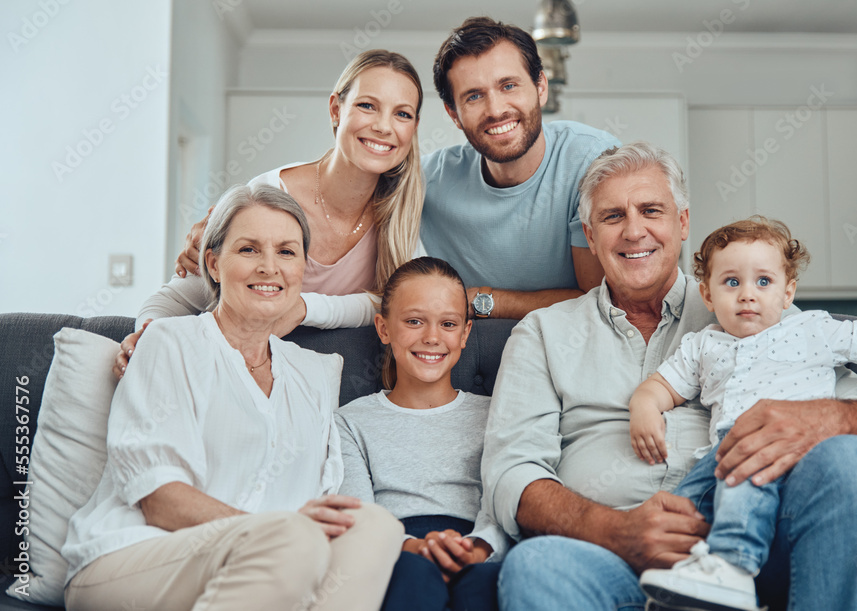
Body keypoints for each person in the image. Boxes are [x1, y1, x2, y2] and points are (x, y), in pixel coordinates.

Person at [480, 142, 857, 611]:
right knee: (537, 566)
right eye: (612, 217)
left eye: (651, 210)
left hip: (758, 543)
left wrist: (826, 420)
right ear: (590, 233)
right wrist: (615, 530)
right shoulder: (543, 332)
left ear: (682, 223)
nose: (634, 230)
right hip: (611, 556)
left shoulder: (752, 306)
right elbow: (511, 473)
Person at [62, 184, 402, 610]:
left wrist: (281, 535)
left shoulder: (313, 373)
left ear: (301, 270)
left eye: (286, 252)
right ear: (214, 264)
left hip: (272, 564)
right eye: (248, 250)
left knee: (374, 526)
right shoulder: (168, 341)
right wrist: (271, 530)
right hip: (133, 558)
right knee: (293, 538)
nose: (269, 267)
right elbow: (159, 499)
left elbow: (319, 502)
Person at [629, 216, 857, 610]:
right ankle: (690, 584)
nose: (747, 295)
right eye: (731, 282)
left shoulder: (811, 330)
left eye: (764, 282)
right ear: (707, 294)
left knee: (743, 481)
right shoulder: (703, 345)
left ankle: (732, 565)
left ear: (788, 293)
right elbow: (662, 385)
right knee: (683, 505)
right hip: (724, 449)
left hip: (793, 450)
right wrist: (644, 406)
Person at [116, 49, 425, 378]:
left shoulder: (401, 213)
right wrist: (148, 338)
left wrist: (305, 308)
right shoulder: (269, 196)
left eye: (402, 114)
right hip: (225, 368)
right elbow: (176, 298)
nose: (383, 126)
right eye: (367, 105)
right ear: (336, 109)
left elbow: (398, 302)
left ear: (414, 127)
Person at [336, 257, 507, 611]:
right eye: (414, 321)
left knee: (484, 585)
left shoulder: (497, 414)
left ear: (465, 334)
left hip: (476, 548)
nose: (431, 338)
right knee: (412, 576)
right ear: (384, 329)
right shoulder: (349, 422)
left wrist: (478, 547)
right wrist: (412, 547)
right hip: (395, 548)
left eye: (448, 324)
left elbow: (505, 499)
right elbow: (358, 511)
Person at [422, 17, 621, 319]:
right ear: (454, 113)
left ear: (541, 87)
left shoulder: (592, 160)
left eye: (509, 85)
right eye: (473, 96)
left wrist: (481, 300)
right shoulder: (429, 179)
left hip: (571, 345)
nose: (496, 110)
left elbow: (597, 301)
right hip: (468, 347)